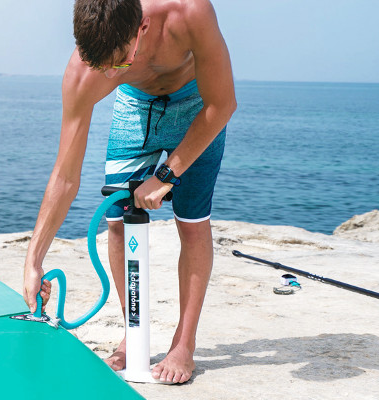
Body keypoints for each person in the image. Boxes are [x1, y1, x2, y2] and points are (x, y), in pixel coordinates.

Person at [22, 0, 236, 384]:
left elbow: (223, 103)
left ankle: (183, 344)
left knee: (191, 223)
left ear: (142, 26)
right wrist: (33, 259)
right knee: (117, 221)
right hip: (136, 107)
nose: (106, 73)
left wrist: (168, 174)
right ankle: (132, 330)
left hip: (198, 105)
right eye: (99, 65)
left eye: (118, 63)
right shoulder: (85, 71)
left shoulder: (190, 11)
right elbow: (66, 175)